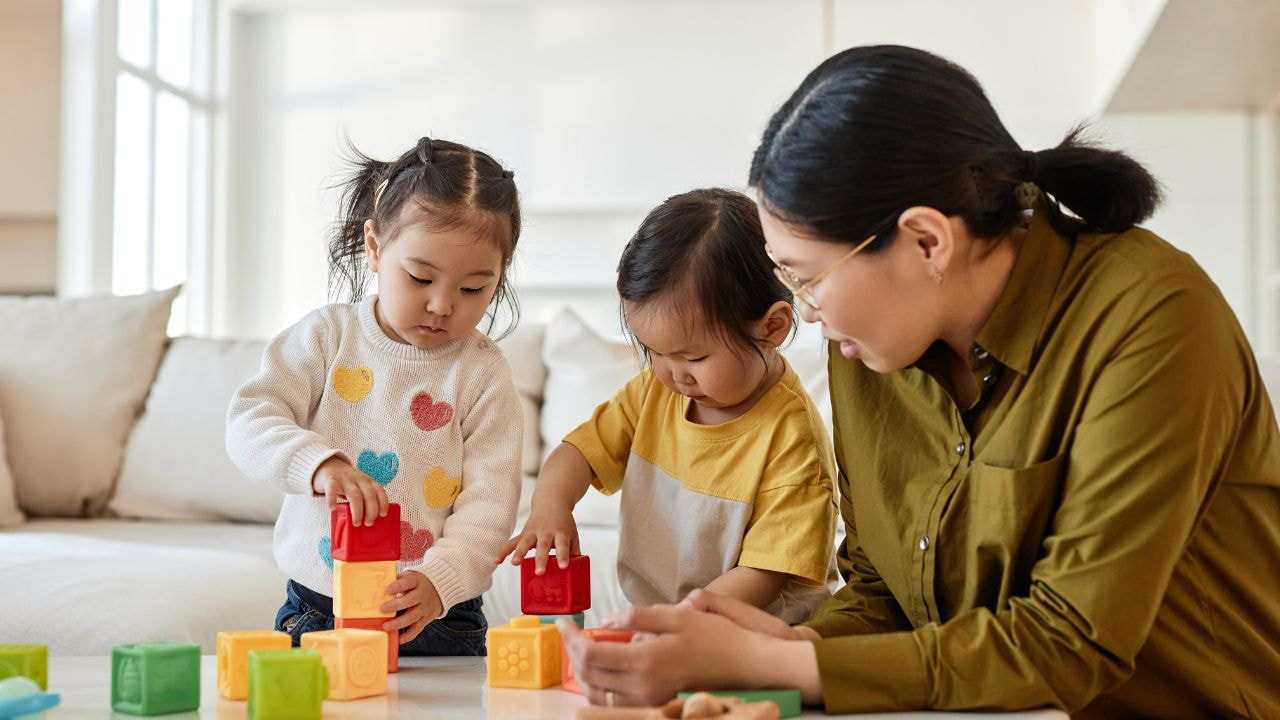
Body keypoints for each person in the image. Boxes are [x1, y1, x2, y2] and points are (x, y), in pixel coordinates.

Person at [560, 45, 1280, 718]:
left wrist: (784, 667)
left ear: (927, 241)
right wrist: (783, 649)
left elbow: (1070, 640)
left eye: (807, 279)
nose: (804, 315)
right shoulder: (873, 349)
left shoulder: (1151, 317)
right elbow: (884, 595)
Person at [227, 136, 525, 655]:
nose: (440, 305)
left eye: (473, 289)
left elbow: (490, 503)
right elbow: (251, 419)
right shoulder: (325, 338)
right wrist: (318, 464)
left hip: (437, 617)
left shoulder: (482, 372)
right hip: (321, 608)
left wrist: (442, 581)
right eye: (420, 277)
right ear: (374, 245)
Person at [499, 188, 837, 622]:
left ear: (771, 327)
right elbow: (577, 453)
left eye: (694, 357)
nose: (673, 373)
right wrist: (551, 508)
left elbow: (762, 575)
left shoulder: (794, 442)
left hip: (758, 633)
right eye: (653, 352)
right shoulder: (654, 393)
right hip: (672, 624)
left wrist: (676, 624)